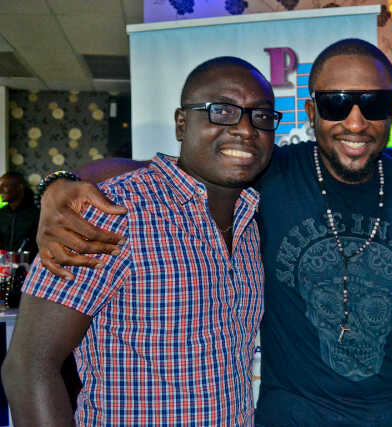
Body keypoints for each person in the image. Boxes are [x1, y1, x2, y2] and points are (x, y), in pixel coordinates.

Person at [32, 39, 392, 426]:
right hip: (286, 415)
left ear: (391, 110)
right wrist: (61, 184)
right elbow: (169, 170)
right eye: (336, 103)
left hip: (389, 415)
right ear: (311, 109)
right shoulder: (269, 171)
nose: (355, 121)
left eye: (373, 104)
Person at [1, 56, 279, 425]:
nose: (245, 128)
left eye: (260, 115)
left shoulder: (249, 223)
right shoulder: (113, 211)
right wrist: (58, 182)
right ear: (182, 123)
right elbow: (28, 366)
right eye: (222, 111)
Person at [0, 172, 39, 258]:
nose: (0, 190)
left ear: (19, 187)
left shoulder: (37, 213)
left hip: (30, 264)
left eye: (4, 186)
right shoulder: (2, 214)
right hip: (5, 264)